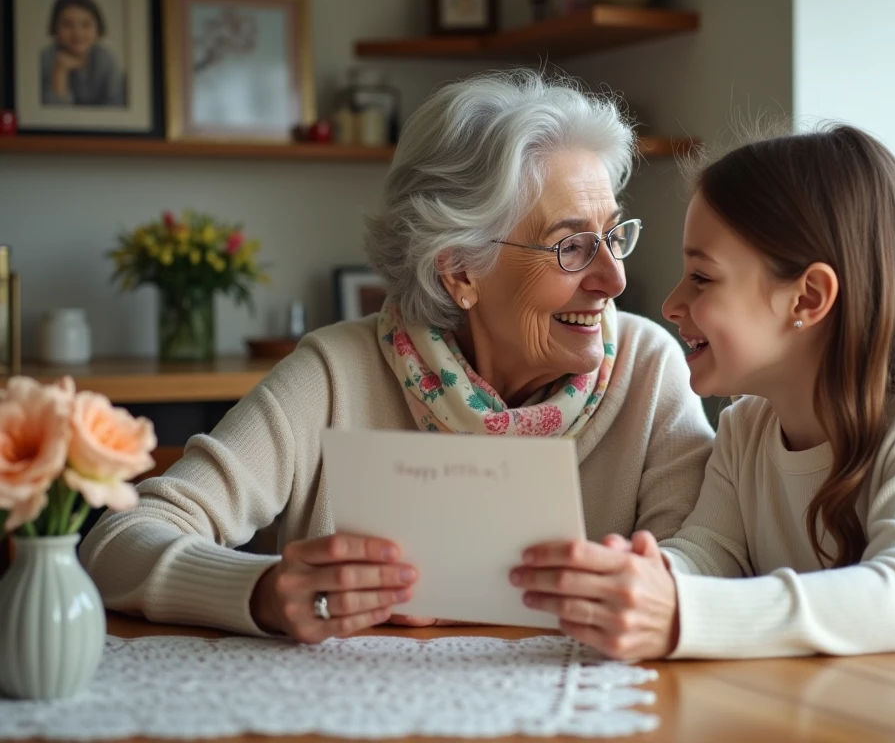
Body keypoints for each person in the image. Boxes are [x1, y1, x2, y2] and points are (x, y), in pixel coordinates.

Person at [80, 70, 713, 643]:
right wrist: (263, 592)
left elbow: (706, 560)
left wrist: (646, 587)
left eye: (613, 236)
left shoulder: (646, 367)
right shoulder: (336, 375)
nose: (615, 279)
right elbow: (120, 542)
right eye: (571, 246)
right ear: (459, 270)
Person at [512, 125, 895, 663]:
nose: (671, 304)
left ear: (807, 298)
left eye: (702, 277)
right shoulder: (746, 430)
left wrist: (680, 612)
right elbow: (705, 554)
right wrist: (631, 583)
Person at [41, 0, 125, 107]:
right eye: (67, 25)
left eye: (86, 25)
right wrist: (60, 71)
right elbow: (52, 114)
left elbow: (116, 106)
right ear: (55, 28)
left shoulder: (107, 59)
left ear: (98, 28)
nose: (77, 33)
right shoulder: (45, 59)